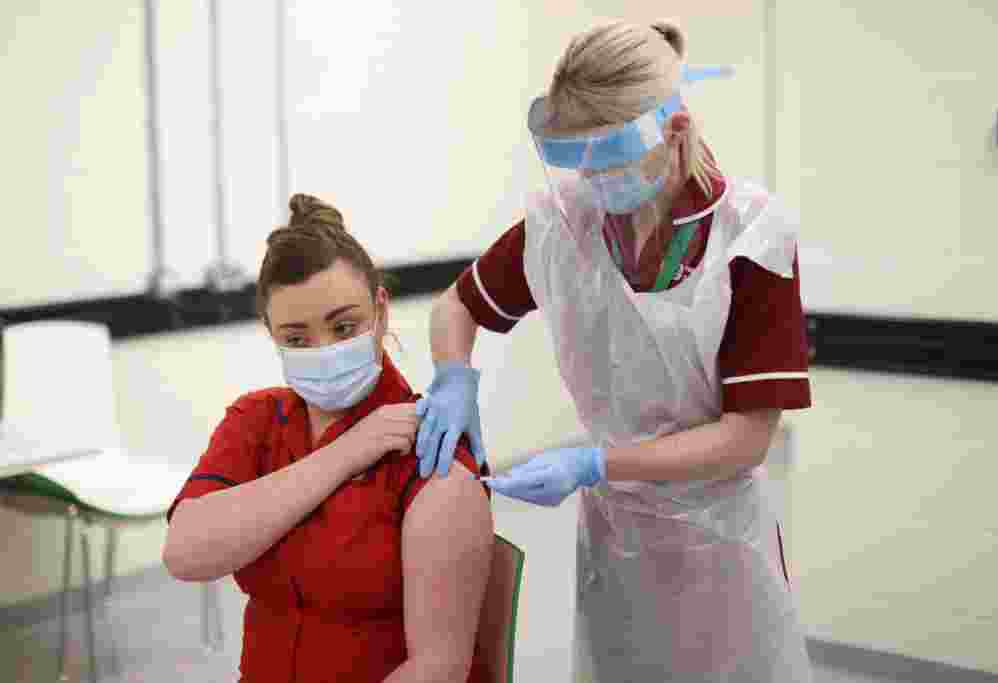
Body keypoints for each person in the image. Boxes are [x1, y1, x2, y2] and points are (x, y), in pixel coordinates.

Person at [415, 20, 814, 682]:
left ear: (675, 131)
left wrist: (598, 460)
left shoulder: (750, 239)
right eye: (577, 155)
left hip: (720, 550)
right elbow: (455, 307)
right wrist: (455, 377)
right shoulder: (563, 225)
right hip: (616, 544)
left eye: (610, 155)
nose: (593, 177)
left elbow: (746, 437)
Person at [162, 194, 495, 683]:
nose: (325, 350)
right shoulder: (257, 420)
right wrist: (346, 452)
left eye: (344, 327)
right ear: (271, 334)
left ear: (380, 312)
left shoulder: (432, 457)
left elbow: (437, 669)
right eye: (296, 339)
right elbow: (186, 553)